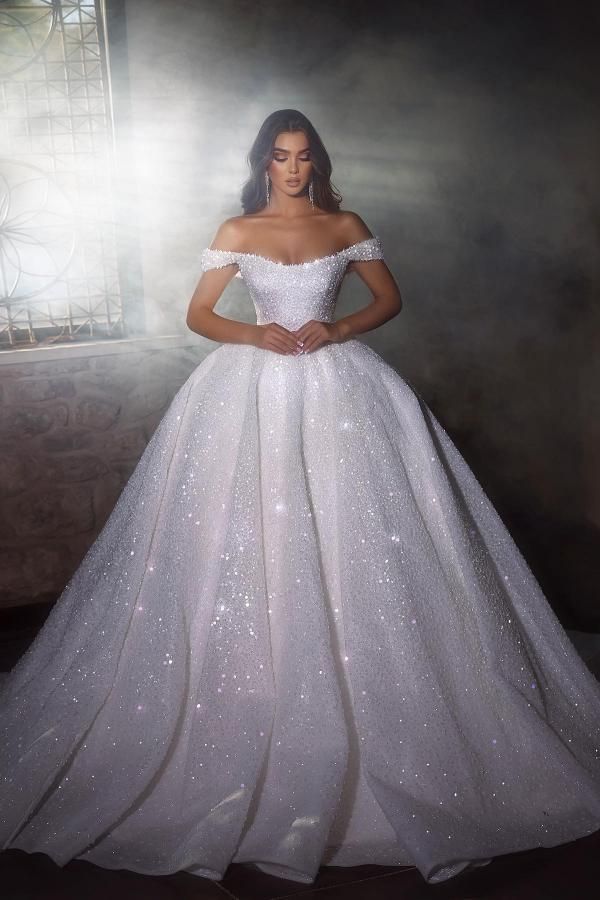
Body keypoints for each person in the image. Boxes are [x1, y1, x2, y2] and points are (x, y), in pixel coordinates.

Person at [1, 108, 600, 888]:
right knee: (240, 539)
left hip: (341, 391)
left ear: (317, 162)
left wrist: (337, 330)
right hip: (247, 393)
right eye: (280, 157)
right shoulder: (239, 228)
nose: (292, 168)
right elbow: (198, 313)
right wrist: (258, 336)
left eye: (303, 156)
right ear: (263, 163)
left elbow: (388, 299)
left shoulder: (345, 221)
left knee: (368, 541)